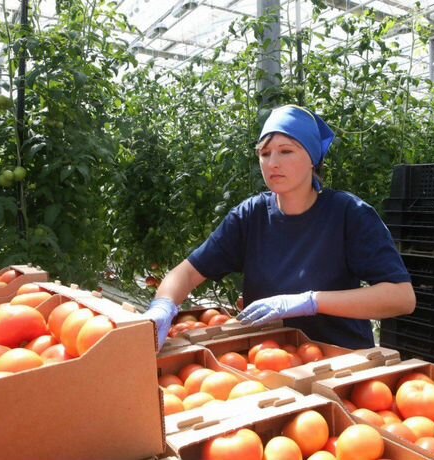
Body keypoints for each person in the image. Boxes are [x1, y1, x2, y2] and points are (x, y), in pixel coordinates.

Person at [143, 104, 415, 350]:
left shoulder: (349, 215)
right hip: (267, 361)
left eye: (286, 151)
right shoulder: (250, 217)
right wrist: (162, 307)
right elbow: (187, 274)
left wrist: (311, 301)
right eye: (264, 153)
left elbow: (401, 297)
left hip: (341, 364)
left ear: (312, 157)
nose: (272, 163)